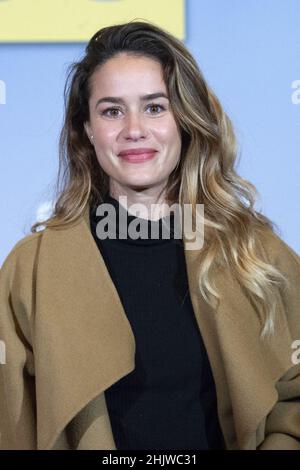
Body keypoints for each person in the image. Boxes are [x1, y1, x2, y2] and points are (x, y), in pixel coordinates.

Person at [0, 20, 300, 451]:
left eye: (155, 107)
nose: (134, 129)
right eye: (111, 110)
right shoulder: (30, 270)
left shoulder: (255, 253)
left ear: (186, 119)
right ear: (86, 129)